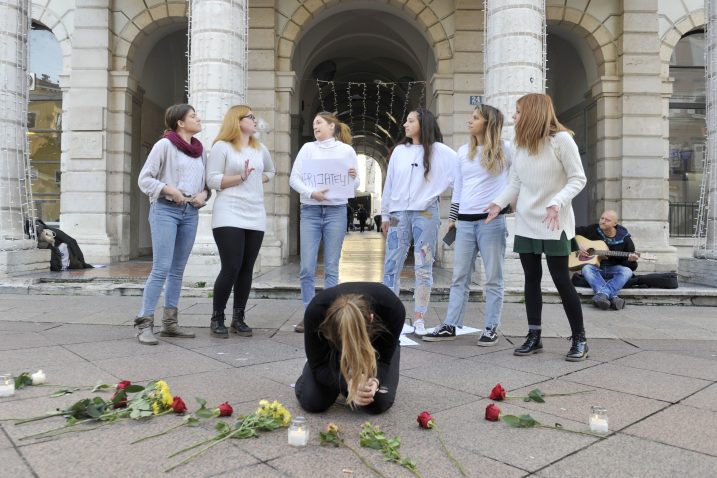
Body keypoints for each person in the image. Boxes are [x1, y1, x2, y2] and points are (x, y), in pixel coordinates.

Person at [485, 93, 588, 361]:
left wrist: (557, 202)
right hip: (527, 222)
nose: (514, 117)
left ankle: (580, 339)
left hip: (555, 221)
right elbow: (515, 184)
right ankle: (534, 336)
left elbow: (578, 178)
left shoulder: (561, 140)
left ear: (532, 113)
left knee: (561, 280)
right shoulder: (520, 145)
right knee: (531, 280)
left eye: (518, 112)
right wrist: (498, 203)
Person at [423, 104, 512, 346]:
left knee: (493, 277)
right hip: (465, 222)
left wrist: (509, 205)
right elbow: (459, 189)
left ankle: (491, 326)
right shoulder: (464, 151)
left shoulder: (506, 150)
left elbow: (518, 181)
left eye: (475, 118)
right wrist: (452, 218)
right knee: (459, 276)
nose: (469, 121)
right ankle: (450, 324)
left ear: (488, 123)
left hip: (491, 222)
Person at [135, 104, 210, 345]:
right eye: (193, 116)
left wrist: (204, 195)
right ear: (180, 122)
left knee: (178, 270)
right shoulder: (164, 145)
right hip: (166, 209)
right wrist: (168, 189)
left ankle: (170, 324)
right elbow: (144, 179)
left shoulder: (199, 151)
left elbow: (205, 183)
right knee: (162, 267)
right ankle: (144, 323)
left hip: (190, 211)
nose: (198, 118)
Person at [381, 108, 456, 336]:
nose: (405, 124)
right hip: (397, 214)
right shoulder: (399, 152)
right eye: (406, 120)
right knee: (391, 265)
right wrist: (385, 214)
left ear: (423, 124)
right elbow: (389, 182)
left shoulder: (441, 152)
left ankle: (420, 317)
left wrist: (453, 206)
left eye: (410, 120)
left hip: (426, 214)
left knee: (424, 265)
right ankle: (390, 317)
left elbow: (461, 177)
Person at [206, 105, 275, 338]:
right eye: (250, 117)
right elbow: (212, 179)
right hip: (229, 212)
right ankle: (217, 317)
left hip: (255, 212)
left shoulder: (260, 148)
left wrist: (256, 179)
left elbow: (272, 172)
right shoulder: (222, 147)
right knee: (231, 266)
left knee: (247, 269)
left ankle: (239, 317)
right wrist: (241, 178)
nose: (255, 120)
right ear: (237, 120)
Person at [289, 112, 359, 333]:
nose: (315, 126)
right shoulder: (308, 149)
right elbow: (294, 178)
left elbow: (355, 183)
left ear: (332, 126)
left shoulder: (346, 150)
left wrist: (352, 176)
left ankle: (330, 315)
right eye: (313, 123)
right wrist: (312, 193)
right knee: (307, 267)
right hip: (310, 209)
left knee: (331, 266)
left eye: (319, 122)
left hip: (336, 210)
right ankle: (310, 313)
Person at [294, 282, 405, 414]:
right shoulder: (316, 310)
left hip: (377, 347)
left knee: (376, 403)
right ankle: (313, 373)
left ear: (371, 319)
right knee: (313, 401)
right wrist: (348, 384)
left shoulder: (392, 307)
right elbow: (319, 365)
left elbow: (384, 359)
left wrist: (376, 380)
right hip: (331, 351)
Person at [574, 210, 639, 310]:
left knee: (627, 271)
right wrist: (577, 246)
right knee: (586, 268)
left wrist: (631, 261)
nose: (603, 221)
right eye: (602, 218)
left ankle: (603, 294)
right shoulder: (592, 229)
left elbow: (630, 266)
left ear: (615, 224)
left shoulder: (625, 238)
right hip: (595, 269)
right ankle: (613, 297)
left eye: (607, 220)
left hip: (613, 269)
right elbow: (570, 232)